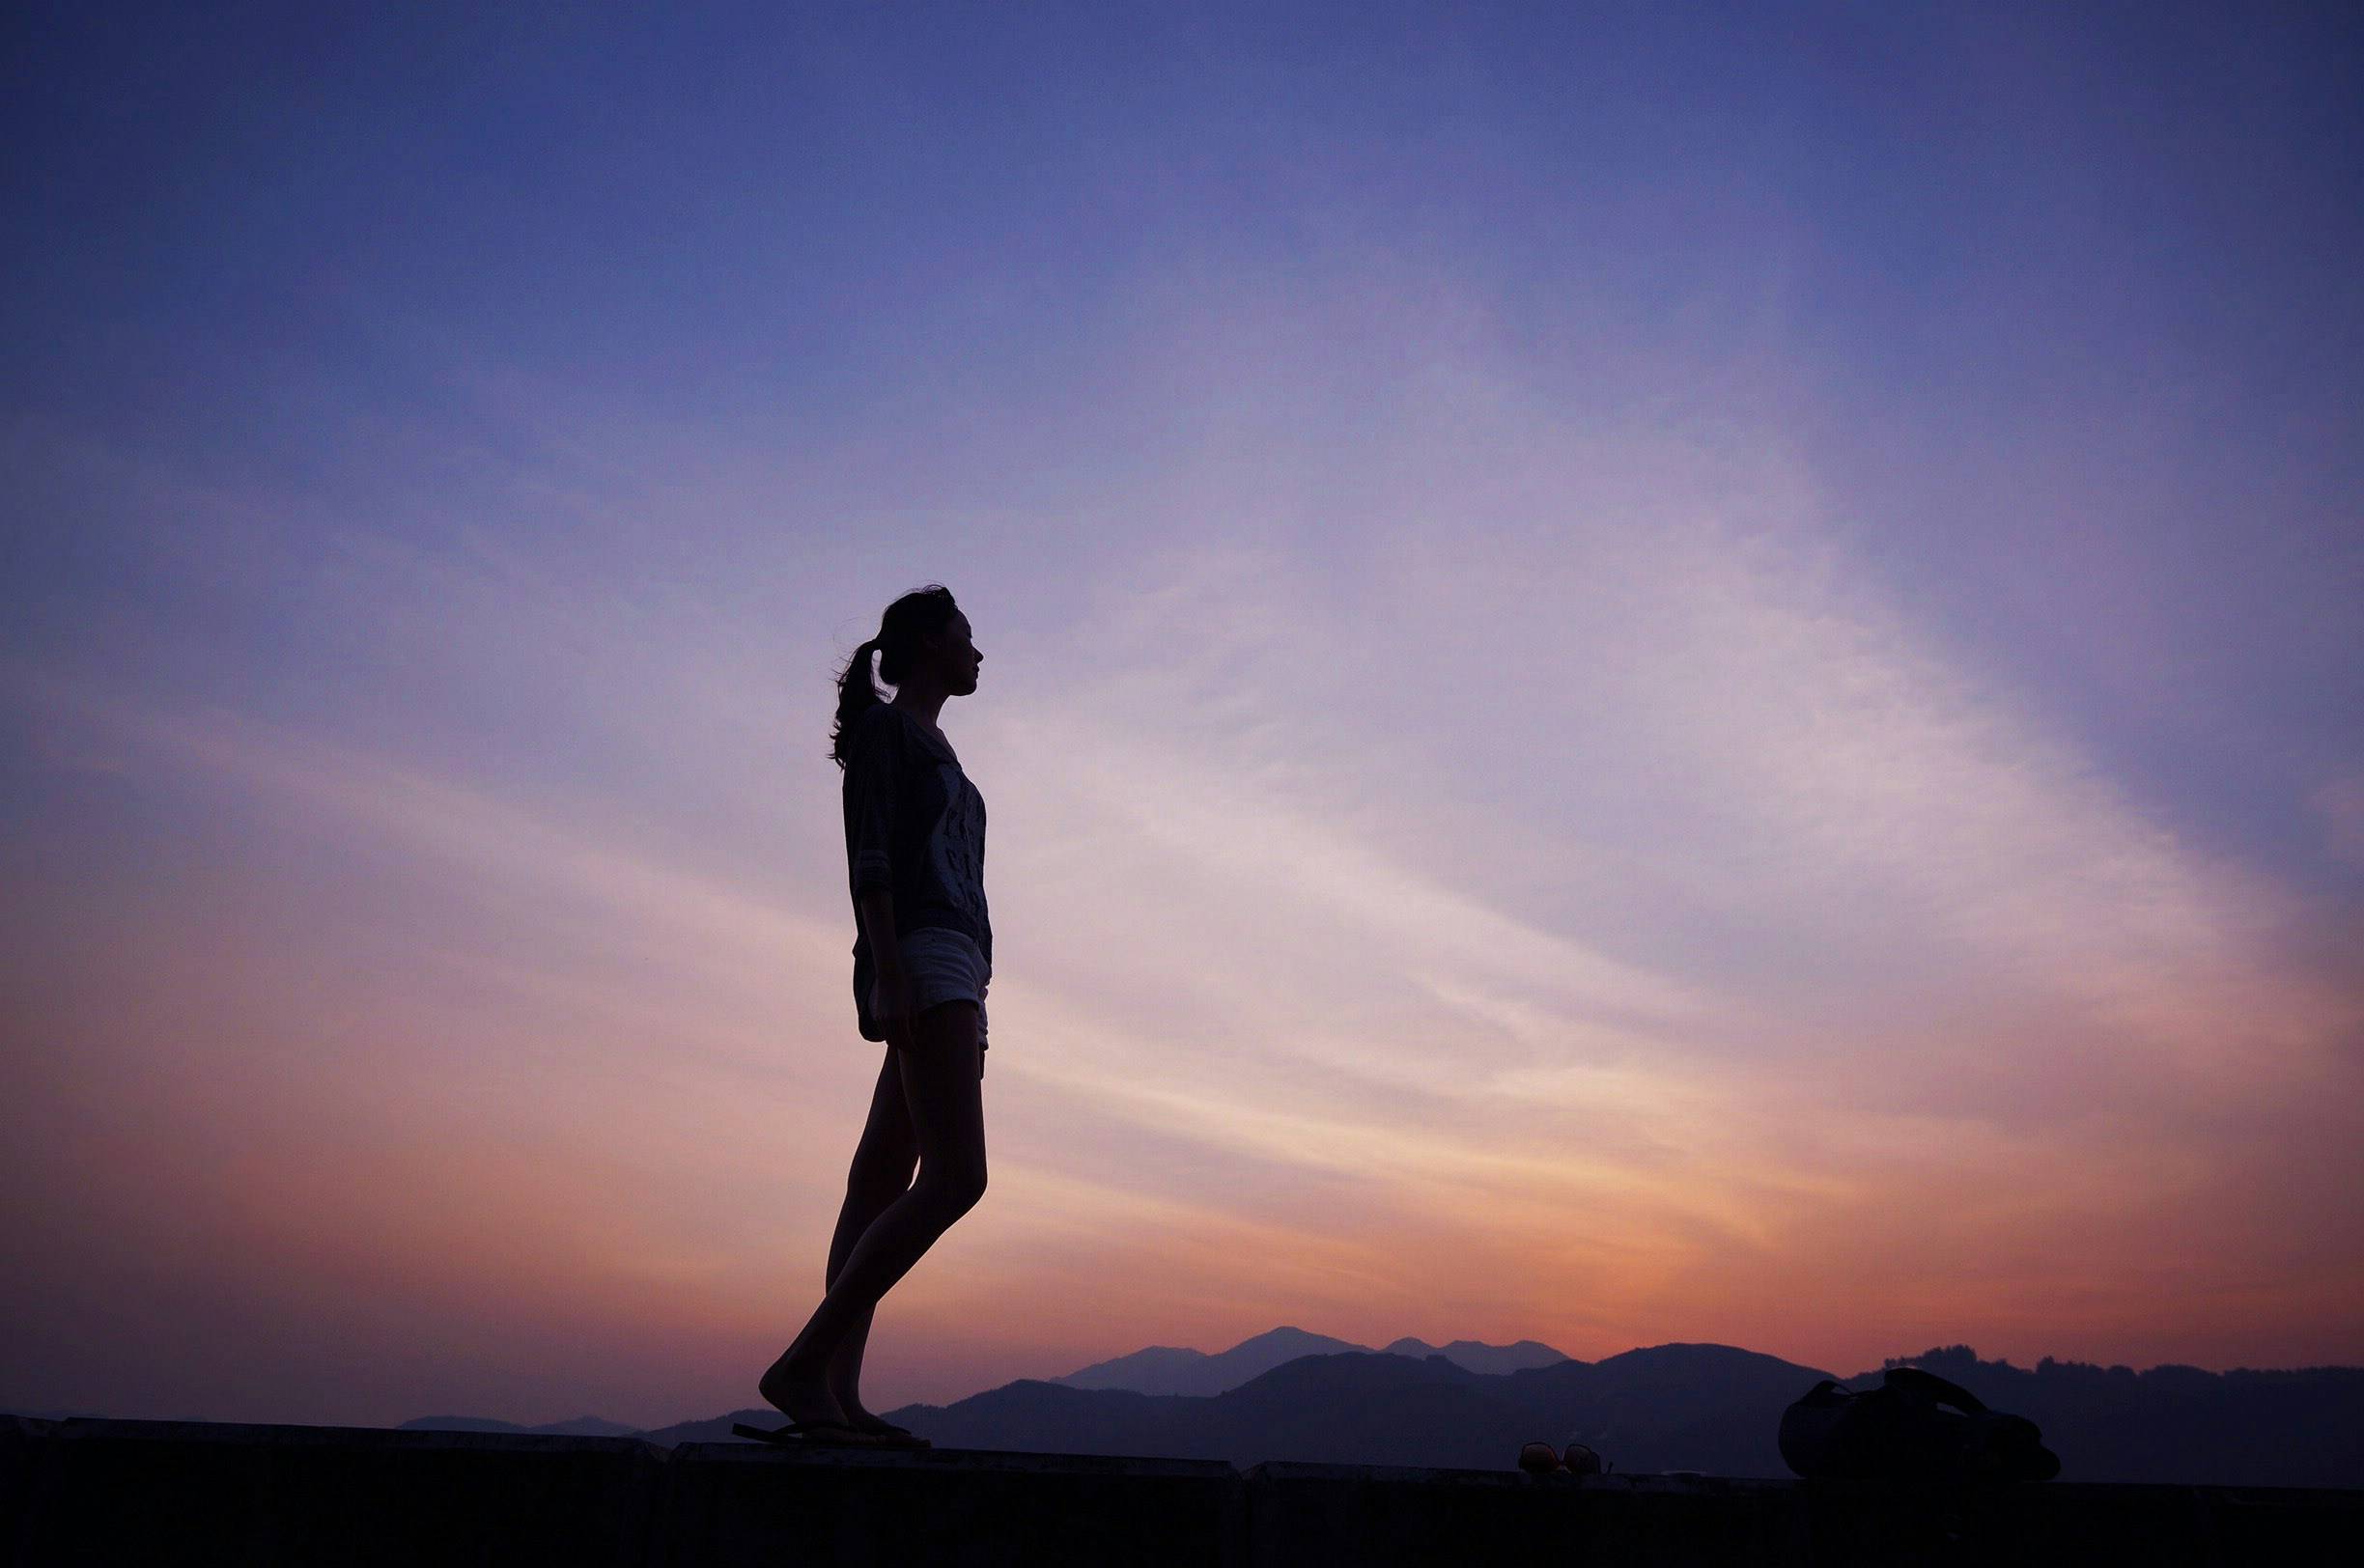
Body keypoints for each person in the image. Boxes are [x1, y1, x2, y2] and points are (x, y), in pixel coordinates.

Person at [756, 585, 992, 1449]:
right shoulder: (888, 737)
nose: (978, 653)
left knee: (878, 1183)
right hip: (923, 961)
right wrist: (890, 971)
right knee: (958, 1178)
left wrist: (975, 998)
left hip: (956, 971)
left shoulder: (942, 752)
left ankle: (836, 1401)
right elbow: (873, 859)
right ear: (931, 644)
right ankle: (802, 1367)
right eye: (967, 637)